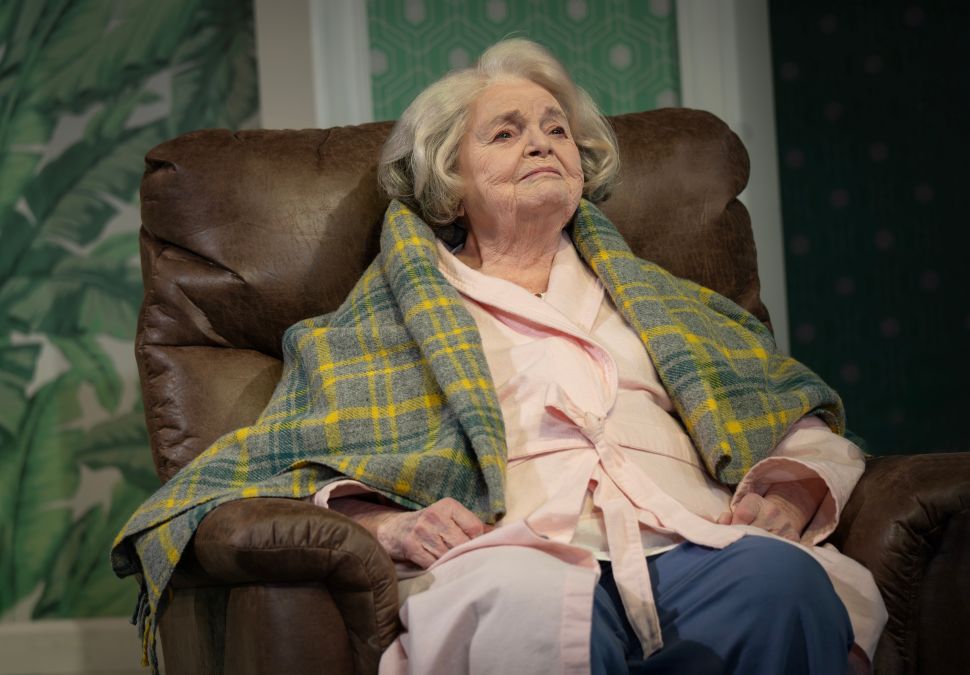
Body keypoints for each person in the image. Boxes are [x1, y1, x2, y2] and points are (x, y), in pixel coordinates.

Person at [113, 39, 885, 675]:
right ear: (450, 181)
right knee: (524, 611)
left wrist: (789, 483)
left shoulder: (666, 302)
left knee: (780, 585)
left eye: (555, 128)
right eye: (507, 132)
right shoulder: (382, 323)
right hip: (510, 545)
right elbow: (281, 465)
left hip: (688, 535)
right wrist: (385, 522)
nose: (542, 141)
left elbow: (781, 406)